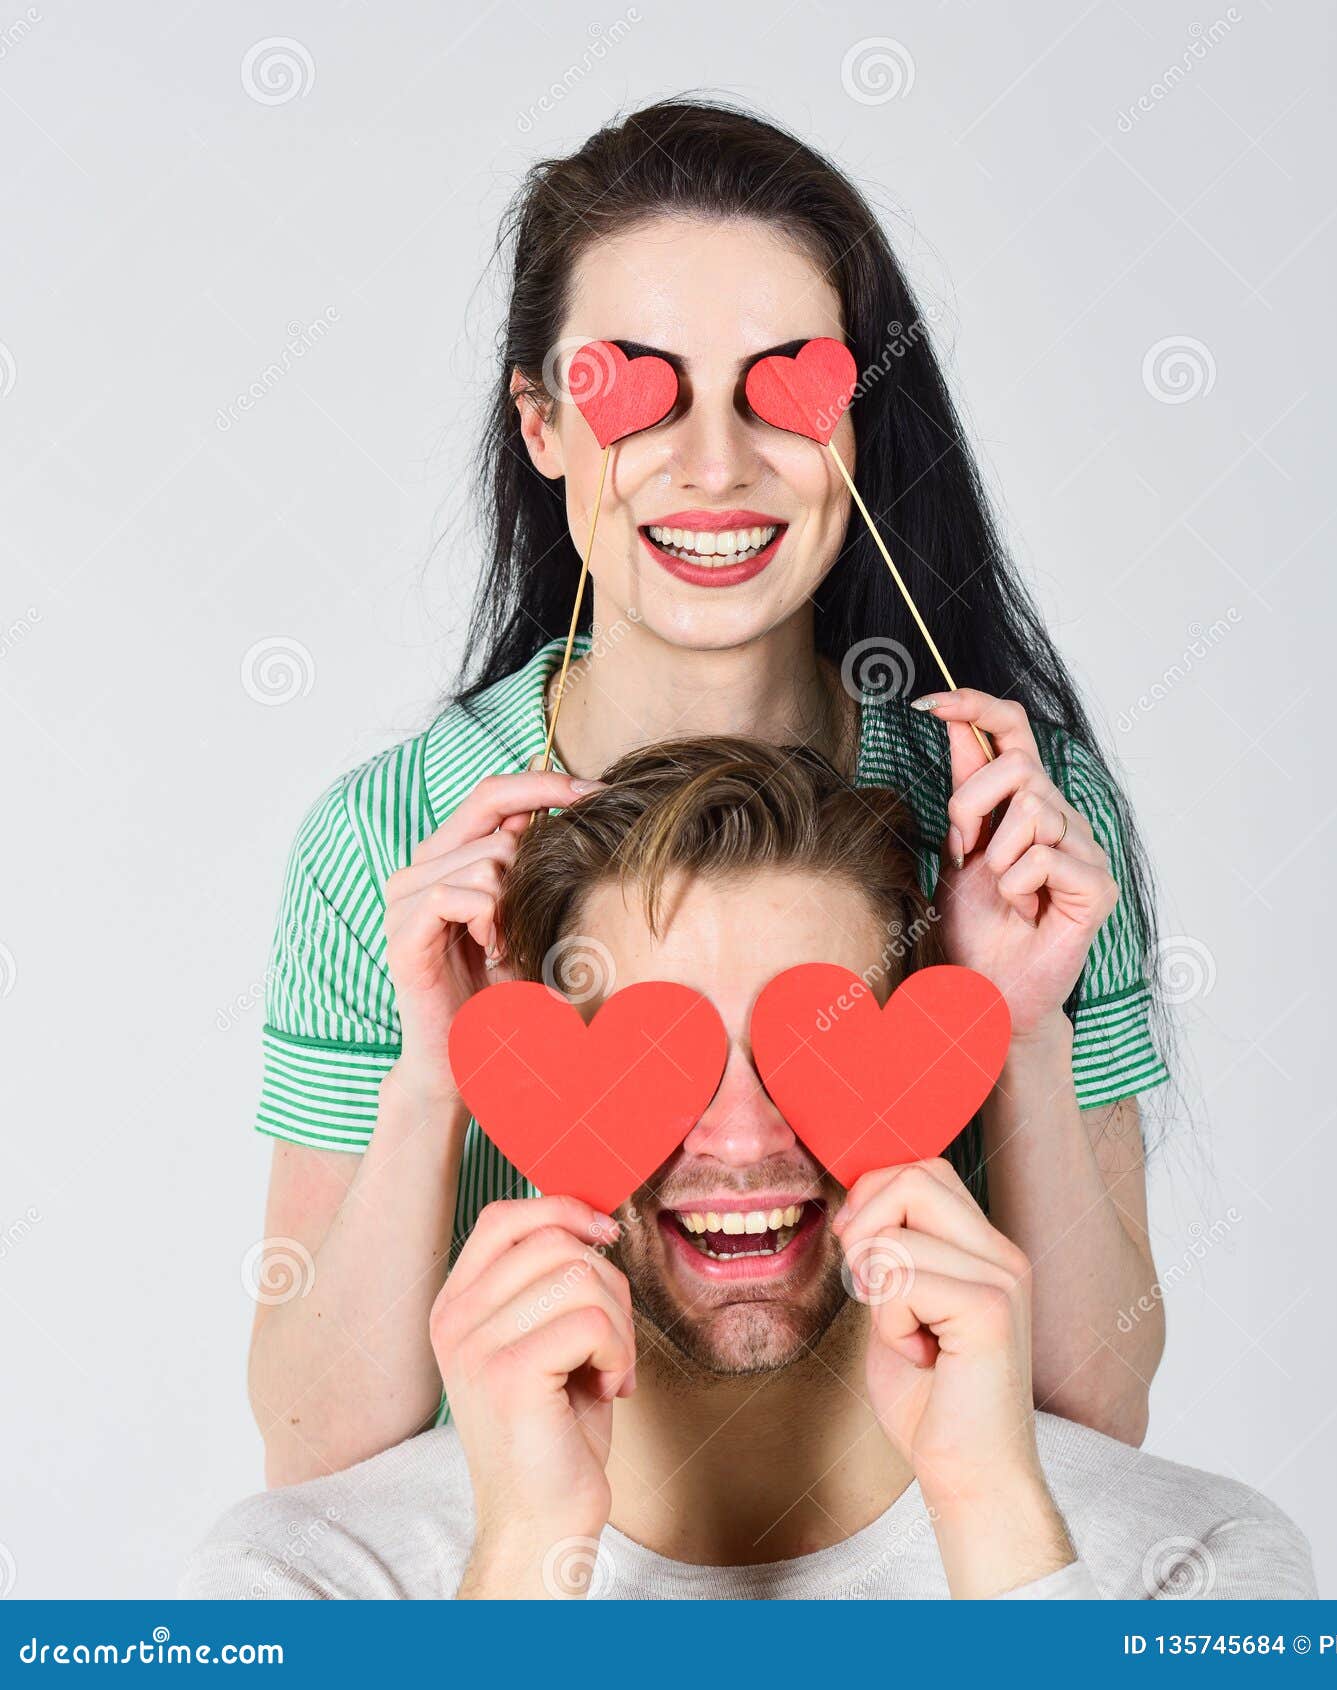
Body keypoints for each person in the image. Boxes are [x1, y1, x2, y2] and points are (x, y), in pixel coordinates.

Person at [247, 98, 1173, 1488]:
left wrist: (1013, 1026)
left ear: (855, 419)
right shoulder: (388, 839)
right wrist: (438, 1069)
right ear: (542, 423)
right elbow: (315, 1448)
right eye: (638, 387)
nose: (717, 463)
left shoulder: (1013, 817)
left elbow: (1095, 1422)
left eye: (781, 387)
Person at [199, 743, 1308, 1600]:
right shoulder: (310, 1581)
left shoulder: (1196, 1564)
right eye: (648, 1058)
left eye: (809, 1047)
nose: (740, 1139)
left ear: (923, 1064)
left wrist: (991, 1517)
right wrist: (529, 1559)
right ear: (539, 1097)